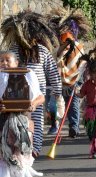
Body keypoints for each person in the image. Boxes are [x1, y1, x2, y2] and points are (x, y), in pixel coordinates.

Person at [2, 11, 63, 158]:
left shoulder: (42, 51)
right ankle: (19, 146)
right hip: (16, 95)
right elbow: (6, 71)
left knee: (37, 120)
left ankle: (33, 149)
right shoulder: (14, 51)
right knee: (19, 121)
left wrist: (58, 93)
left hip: (37, 95)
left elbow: (53, 73)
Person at [0, 51, 44, 177]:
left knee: (20, 159)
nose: (4, 63)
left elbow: (40, 97)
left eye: (8, 60)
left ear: (16, 62)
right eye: (1, 60)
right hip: (2, 124)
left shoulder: (27, 75)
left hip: (22, 124)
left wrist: (33, 104)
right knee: (4, 157)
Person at [55, 9, 90, 138]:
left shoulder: (78, 46)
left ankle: (74, 127)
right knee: (67, 104)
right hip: (64, 79)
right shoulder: (61, 46)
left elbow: (82, 62)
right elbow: (58, 60)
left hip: (76, 77)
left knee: (74, 102)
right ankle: (72, 125)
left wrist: (79, 76)